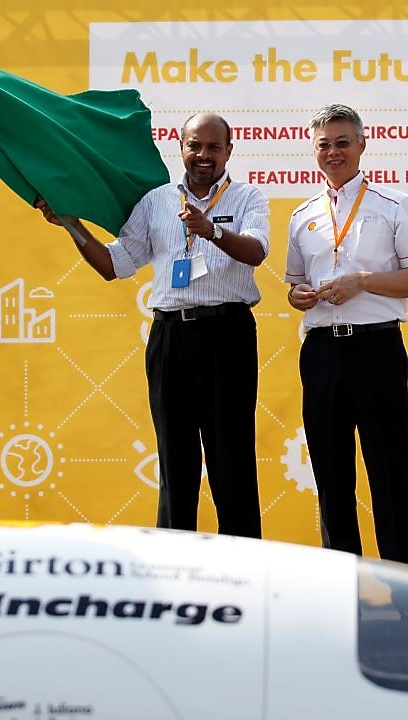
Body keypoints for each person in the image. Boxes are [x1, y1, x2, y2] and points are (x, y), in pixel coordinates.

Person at [36, 112, 268, 538]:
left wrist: (211, 232)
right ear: (181, 149)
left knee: (230, 460)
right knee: (176, 462)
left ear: (228, 152)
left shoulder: (248, 198)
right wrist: (72, 225)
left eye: (214, 147)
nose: (203, 156)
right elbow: (115, 264)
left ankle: (245, 572)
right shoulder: (156, 201)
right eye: (195, 146)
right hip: (171, 338)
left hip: (228, 336)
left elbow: (256, 252)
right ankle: (176, 570)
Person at [284, 104, 408, 567]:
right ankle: (343, 586)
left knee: (391, 475)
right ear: (313, 151)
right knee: (331, 476)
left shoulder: (394, 205)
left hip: (377, 350)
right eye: (324, 144)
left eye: (342, 142)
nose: (333, 153)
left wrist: (362, 281)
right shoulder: (302, 215)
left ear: (362, 145)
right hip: (322, 353)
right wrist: (300, 296)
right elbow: (292, 285)